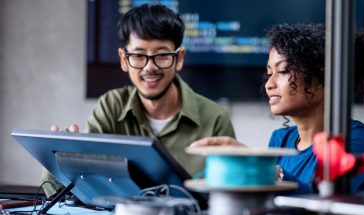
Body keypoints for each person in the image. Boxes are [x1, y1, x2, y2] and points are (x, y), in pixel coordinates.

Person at [42, 4, 235, 197]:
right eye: (138, 55)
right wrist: (59, 161)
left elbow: (229, 195)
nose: (150, 67)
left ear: (180, 58)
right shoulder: (110, 107)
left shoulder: (215, 119)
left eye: (162, 55)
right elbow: (83, 189)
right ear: (124, 60)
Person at [191, 24, 364, 195]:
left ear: (322, 79)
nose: (269, 84)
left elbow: (321, 199)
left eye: (283, 71)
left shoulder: (358, 138)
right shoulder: (280, 139)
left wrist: (261, 166)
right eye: (269, 73)